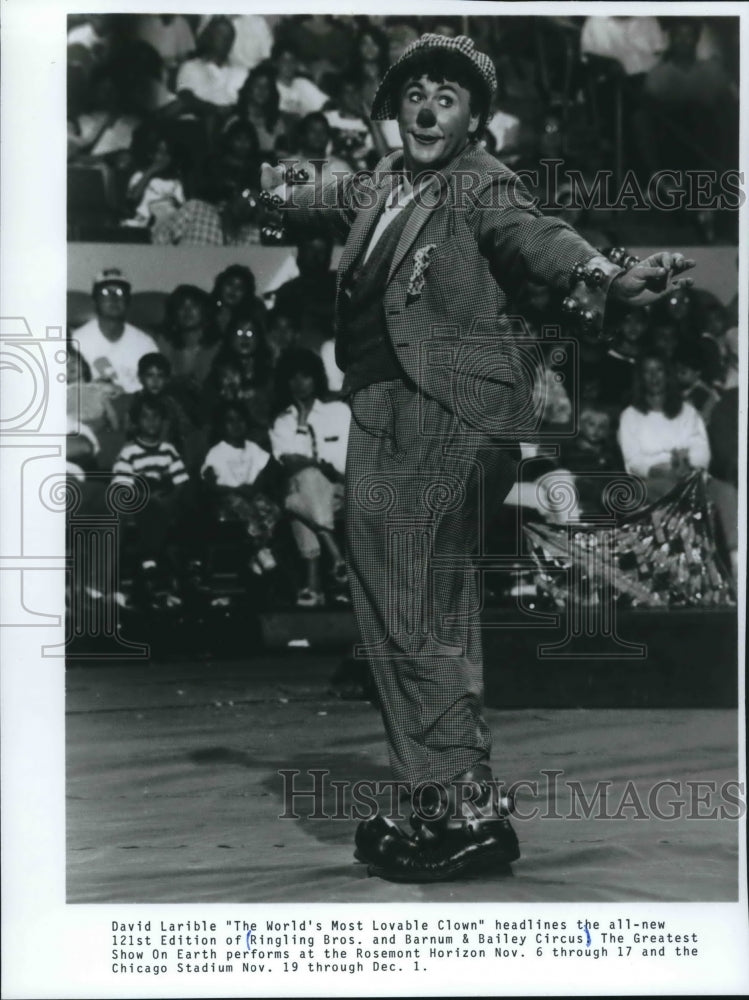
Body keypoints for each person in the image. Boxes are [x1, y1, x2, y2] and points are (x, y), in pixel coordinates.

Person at [260, 31, 696, 883]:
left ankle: (456, 796)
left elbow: (535, 235)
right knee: (417, 604)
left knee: (404, 602)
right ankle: (445, 798)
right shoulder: (385, 178)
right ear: (395, 109)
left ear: (472, 119)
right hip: (388, 407)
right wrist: (272, 193)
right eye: (414, 94)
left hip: (441, 407)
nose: (427, 108)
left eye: (446, 97)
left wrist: (604, 274)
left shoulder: (479, 182)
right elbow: (312, 197)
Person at [269, 349, 350, 608]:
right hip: (308, 491)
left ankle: (313, 586)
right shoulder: (282, 421)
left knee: (296, 500)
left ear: (316, 379)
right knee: (307, 479)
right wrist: (302, 422)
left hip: (341, 489)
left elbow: (352, 456)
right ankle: (335, 555)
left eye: (305, 377)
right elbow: (289, 462)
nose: (299, 384)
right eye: (293, 378)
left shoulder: (339, 411)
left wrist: (331, 472)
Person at [201, 402, 281, 578]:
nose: (236, 425)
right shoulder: (217, 451)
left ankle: (260, 551)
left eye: (240, 420)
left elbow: (265, 469)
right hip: (228, 498)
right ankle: (260, 550)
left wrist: (253, 488)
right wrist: (233, 489)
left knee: (271, 509)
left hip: (251, 494)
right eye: (230, 421)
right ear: (221, 426)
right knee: (241, 506)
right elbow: (209, 481)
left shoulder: (253, 448)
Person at [618, 354, 710, 503]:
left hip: (688, 475)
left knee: (727, 493)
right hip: (649, 480)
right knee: (671, 489)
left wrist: (688, 464)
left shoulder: (687, 411)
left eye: (659, 370)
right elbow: (633, 461)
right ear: (641, 378)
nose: (654, 377)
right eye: (648, 372)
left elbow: (701, 449)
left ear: (668, 374)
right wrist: (659, 470)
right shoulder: (629, 415)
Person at [72, 268, 159, 395]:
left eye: (119, 292)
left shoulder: (145, 344)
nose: (113, 298)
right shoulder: (76, 341)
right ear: (95, 300)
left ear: (128, 300)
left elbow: (157, 388)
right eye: (106, 292)